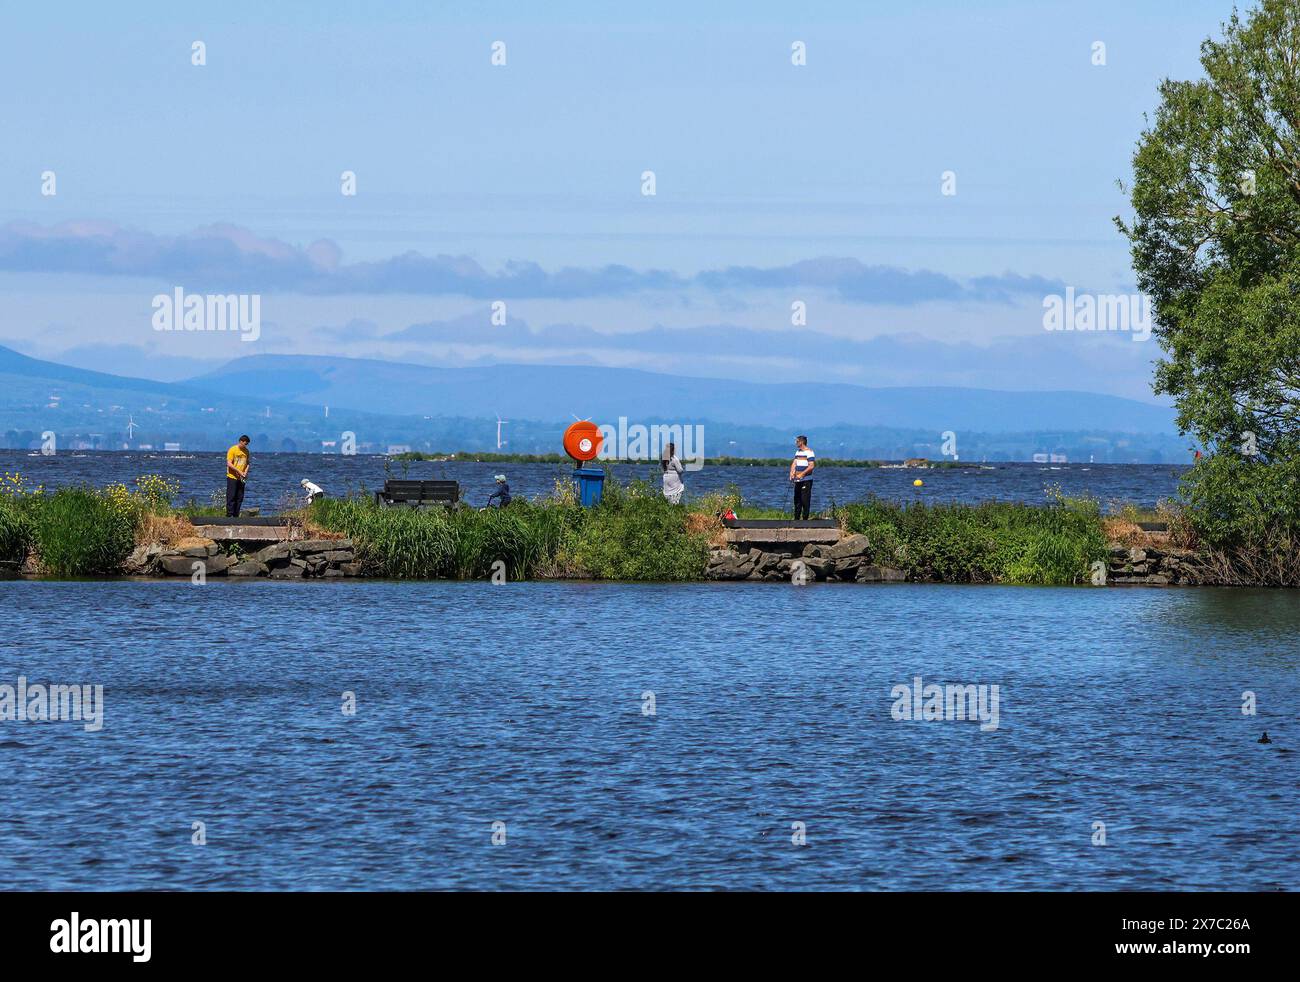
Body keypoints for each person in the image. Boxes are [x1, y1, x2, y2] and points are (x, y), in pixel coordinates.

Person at [789, 434, 816, 520]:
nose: (795, 443)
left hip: (806, 480)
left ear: (801, 442)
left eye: (797, 441)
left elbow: (811, 466)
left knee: (805, 500)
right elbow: (794, 462)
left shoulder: (810, 452)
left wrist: (802, 474)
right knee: (797, 500)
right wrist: (792, 472)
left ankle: (805, 520)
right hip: (797, 480)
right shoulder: (798, 452)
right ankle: (796, 519)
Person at [225, 435, 250, 517]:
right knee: (231, 496)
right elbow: (229, 463)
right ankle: (230, 515)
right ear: (241, 441)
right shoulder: (233, 449)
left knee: (239, 497)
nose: (245, 445)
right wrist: (238, 471)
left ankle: (236, 515)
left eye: (247, 444)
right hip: (232, 477)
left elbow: (248, 463)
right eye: (244, 444)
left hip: (242, 478)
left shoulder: (246, 451)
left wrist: (245, 472)